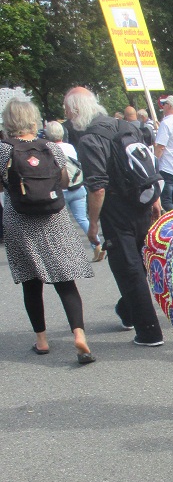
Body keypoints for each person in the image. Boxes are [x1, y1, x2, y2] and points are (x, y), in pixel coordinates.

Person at [64, 86, 164, 347]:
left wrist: (92, 224)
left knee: (128, 268)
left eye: (67, 111)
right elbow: (147, 163)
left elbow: (97, 187)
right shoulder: (126, 126)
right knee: (141, 262)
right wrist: (155, 199)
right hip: (141, 200)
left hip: (117, 208)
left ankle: (149, 332)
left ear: (75, 110)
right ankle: (128, 311)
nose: (67, 117)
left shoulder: (89, 140)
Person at [1, 99, 95, 363]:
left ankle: (41, 340)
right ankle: (79, 334)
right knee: (65, 280)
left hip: (19, 218)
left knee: (31, 282)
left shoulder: (3, 149)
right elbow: (64, 181)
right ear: (33, 119)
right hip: (53, 218)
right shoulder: (51, 147)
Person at [44, 120, 106, 262]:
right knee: (82, 219)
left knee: (60, 223)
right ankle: (96, 244)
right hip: (78, 187)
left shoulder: (49, 149)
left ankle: (66, 255)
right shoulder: (70, 147)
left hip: (61, 190)